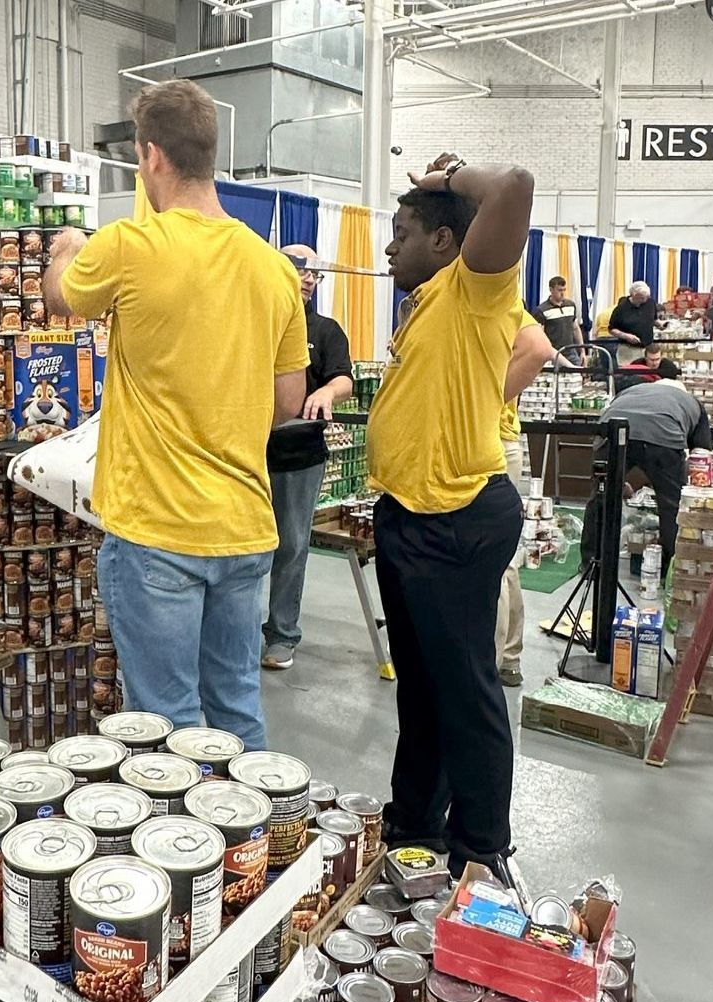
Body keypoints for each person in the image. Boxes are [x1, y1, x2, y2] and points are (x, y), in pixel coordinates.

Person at [44, 79, 305, 749]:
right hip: (246, 529)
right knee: (238, 707)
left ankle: (184, 850)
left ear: (152, 156)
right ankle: (252, 846)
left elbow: (60, 300)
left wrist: (66, 246)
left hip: (158, 530)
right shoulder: (274, 269)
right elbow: (286, 403)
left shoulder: (129, 246)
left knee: (165, 724)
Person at [369, 149, 535, 871]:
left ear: (444, 240)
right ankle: (414, 821)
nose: (388, 244)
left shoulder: (475, 287)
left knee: (465, 690)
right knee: (423, 684)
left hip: (457, 517)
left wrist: (445, 181)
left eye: (402, 229)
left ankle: (480, 847)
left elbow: (516, 186)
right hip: (408, 513)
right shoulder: (428, 303)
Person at [262, 246, 354, 671]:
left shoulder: (326, 329)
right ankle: (240, 635)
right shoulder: (256, 323)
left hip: (300, 456)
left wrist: (325, 391)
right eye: (300, 268)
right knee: (242, 550)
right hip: (248, 454)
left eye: (314, 271)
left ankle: (282, 635)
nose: (308, 277)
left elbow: (343, 379)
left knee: (292, 545)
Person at [579, 359, 713, 580]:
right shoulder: (693, 403)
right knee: (672, 506)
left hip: (613, 428)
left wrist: (614, 481)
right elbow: (701, 459)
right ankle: (670, 570)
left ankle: (590, 564)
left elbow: (609, 442)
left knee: (600, 498)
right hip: (664, 436)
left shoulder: (632, 391)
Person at [495, 314, 555, 687]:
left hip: (487, 443)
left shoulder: (497, 302)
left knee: (491, 560)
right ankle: (508, 658)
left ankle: (489, 664)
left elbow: (539, 348)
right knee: (505, 558)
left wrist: (481, 403)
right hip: (496, 442)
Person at [533, 276, 582, 355]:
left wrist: (582, 351)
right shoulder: (542, 310)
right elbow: (540, 334)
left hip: (571, 351)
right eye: (559, 290)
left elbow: (575, 329)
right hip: (554, 353)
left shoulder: (571, 305)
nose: (562, 293)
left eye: (564, 290)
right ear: (551, 290)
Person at [606, 280, 656, 349]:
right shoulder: (621, 308)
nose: (644, 300)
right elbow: (611, 329)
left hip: (648, 347)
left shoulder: (650, 303)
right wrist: (626, 336)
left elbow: (654, 319)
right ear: (633, 295)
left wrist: (662, 324)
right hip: (628, 348)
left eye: (646, 297)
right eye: (641, 297)